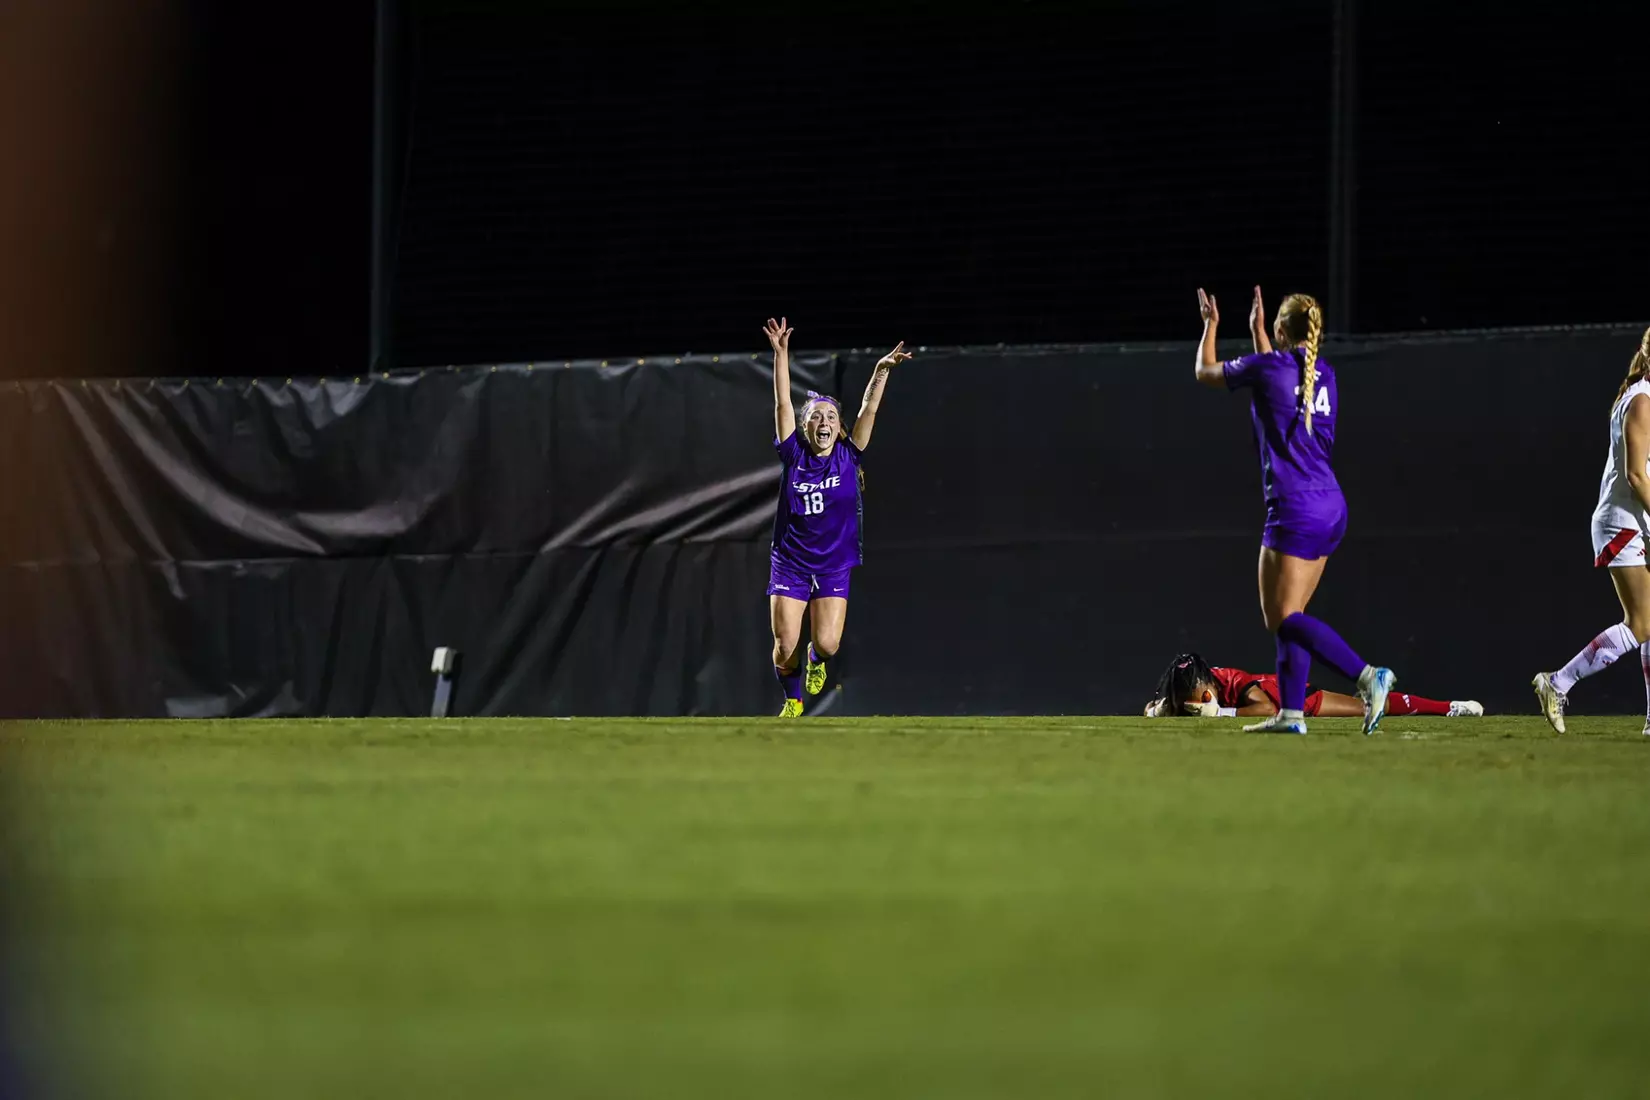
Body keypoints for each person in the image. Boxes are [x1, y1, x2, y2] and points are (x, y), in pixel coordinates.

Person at [1194, 285, 1398, 735]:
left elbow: (1205, 371)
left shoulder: (1272, 368)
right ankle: (1290, 713)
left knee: (1282, 618)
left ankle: (1368, 676)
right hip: (1330, 506)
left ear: (1282, 330)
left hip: (1295, 508)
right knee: (1295, 615)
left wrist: (1212, 325)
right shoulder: (1324, 374)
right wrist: (1258, 333)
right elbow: (1278, 388)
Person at [764, 317, 911, 717]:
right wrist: (781, 354)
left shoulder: (849, 455)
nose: (824, 422)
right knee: (783, 645)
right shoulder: (793, 454)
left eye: (830, 416)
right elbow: (782, 404)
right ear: (806, 426)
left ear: (838, 426)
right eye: (816, 417)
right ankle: (793, 700)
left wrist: (881, 371)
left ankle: (816, 661)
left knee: (827, 644)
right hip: (791, 561)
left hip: (832, 563)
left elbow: (869, 407)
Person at [1533, 327, 1650, 734]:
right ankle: (1557, 682)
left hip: (1638, 521)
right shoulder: (1642, 400)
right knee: (1640, 623)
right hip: (1625, 521)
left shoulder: (1640, 397)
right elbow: (1636, 476)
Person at [1143, 652, 1482, 720]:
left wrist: (1221, 713)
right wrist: (1157, 710)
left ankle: (1451, 706)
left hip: (1296, 697)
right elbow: (1153, 709)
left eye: (1202, 699)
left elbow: (1265, 709)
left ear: (1210, 688)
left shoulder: (1232, 681)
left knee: (1370, 708)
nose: (1199, 704)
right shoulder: (1185, 687)